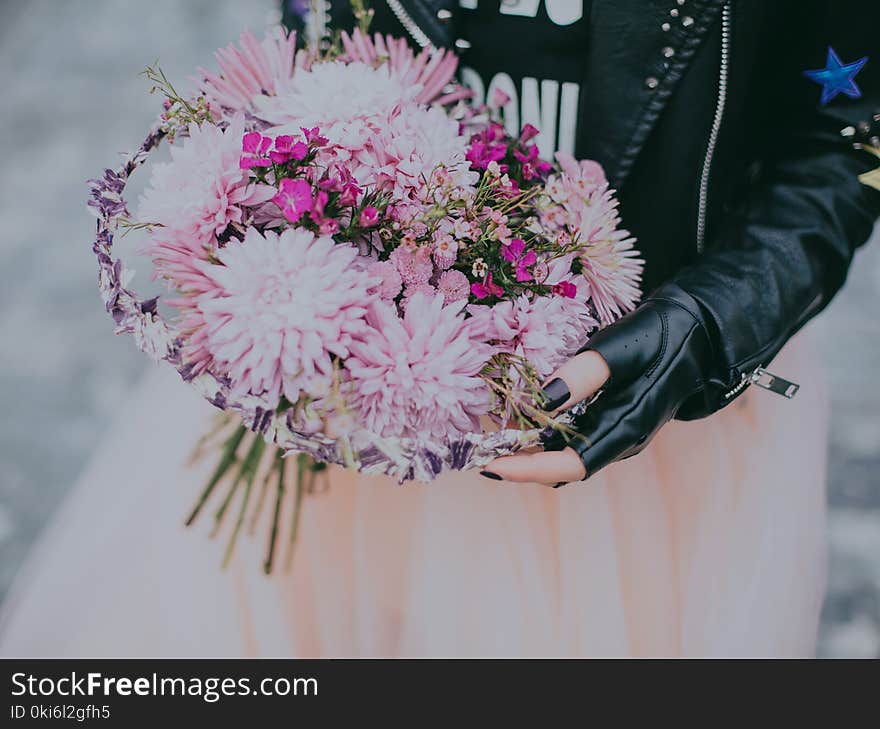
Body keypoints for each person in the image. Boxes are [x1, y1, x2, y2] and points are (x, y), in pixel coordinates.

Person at [1, 0, 877, 657]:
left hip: (655, 423)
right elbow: (315, 34)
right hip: (350, 392)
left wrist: (709, 325)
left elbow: (847, 139)